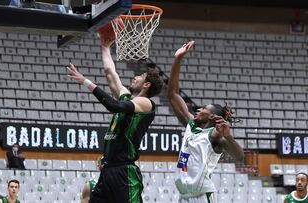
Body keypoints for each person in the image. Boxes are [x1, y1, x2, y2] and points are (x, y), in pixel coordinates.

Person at [67, 34, 163, 203]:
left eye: (139, 77)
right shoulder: (127, 97)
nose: (135, 77)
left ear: (147, 85)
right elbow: (110, 73)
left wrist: (85, 82)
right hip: (108, 170)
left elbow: (112, 106)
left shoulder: (145, 104)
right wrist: (105, 47)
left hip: (124, 173)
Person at [167, 41, 244, 203]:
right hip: (183, 196)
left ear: (210, 117)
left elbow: (240, 156)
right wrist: (178, 60)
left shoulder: (215, 136)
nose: (198, 110)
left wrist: (229, 137)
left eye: (203, 109)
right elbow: (173, 94)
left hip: (201, 197)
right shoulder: (191, 124)